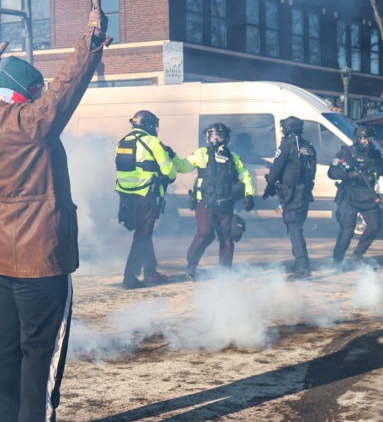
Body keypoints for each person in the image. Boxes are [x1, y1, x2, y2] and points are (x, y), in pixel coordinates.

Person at [0, 0, 111, 422]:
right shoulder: (34, 121)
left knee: (4, 346)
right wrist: (91, 37)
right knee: (42, 351)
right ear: (29, 94)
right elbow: (67, 86)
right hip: (40, 257)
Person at [177, 123, 255, 279]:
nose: (215, 139)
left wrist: (249, 194)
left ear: (226, 138)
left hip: (225, 203)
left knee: (227, 236)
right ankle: (191, 266)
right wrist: (171, 157)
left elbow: (245, 176)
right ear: (207, 138)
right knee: (205, 234)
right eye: (212, 135)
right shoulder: (201, 153)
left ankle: (225, 271)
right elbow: (183, 166)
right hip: (204, 203)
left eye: (219, 136)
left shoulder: (232, 157)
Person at [115, 109, 178, 289]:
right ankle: (130, 277)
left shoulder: (123, 141)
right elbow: (170, 173)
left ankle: (151, 272)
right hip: (145, 195)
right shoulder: (153, 142)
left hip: (125, 195)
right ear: (149, 125)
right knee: (142, 235)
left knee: (144, 232)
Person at [328, 125, 383, 268]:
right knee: (347, 231)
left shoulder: (374, 154)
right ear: (357, 139)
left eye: (369, 139)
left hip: (368, 195)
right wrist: (349, 175)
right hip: (349, 196)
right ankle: (337, 259)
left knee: (375, 225)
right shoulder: (346, 152)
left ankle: (358, 255)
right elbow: (332, 173)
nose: (367, 142)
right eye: (364, 138)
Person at [264, 116, 316, 280]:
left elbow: (274, 172)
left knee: (294, 230)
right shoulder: (308, 146)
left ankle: (302, 267)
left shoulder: (287, 146)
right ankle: (300, 263)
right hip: (305, 193)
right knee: (297, 228)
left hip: (291, 195)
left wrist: (269, 186)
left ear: (287, 128)